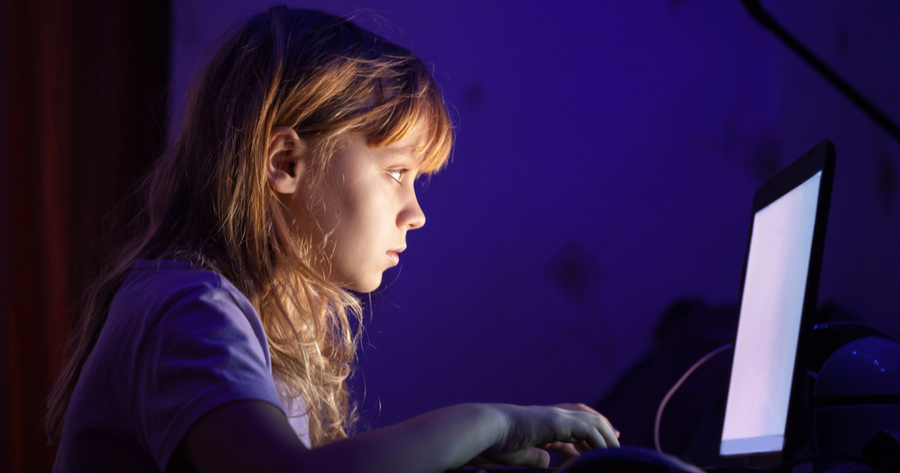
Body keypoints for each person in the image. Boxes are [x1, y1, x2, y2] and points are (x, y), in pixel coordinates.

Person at [46, 5, 619, 472]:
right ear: (285, 161)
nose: (416, 213)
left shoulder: (242, 317)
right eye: (397, 172)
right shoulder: (188, 311)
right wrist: (491, 422)